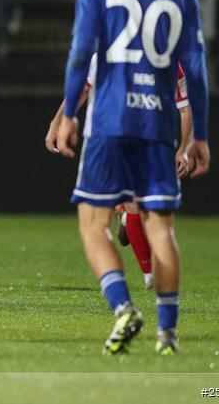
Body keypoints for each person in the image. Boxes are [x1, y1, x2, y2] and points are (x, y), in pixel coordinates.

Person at [54, 0, 210, 355]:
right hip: (157, 123)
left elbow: (81, 54)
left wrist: (68, 113)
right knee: (161, 227)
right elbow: (196, 71)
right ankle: (168, 335)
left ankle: (123, 308)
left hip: (108, 122)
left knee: (93, 224)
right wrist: (199, 136)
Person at [45, 56, 195, 291]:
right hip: (114, 140)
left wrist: (184, 150)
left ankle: (127, 220)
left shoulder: (169, 61)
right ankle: (150, 276)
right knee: (118, 214)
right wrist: (58, 121)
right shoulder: (104, 54)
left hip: (152, 142)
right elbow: (82, 90)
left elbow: (185, 109)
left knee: (153, 217)